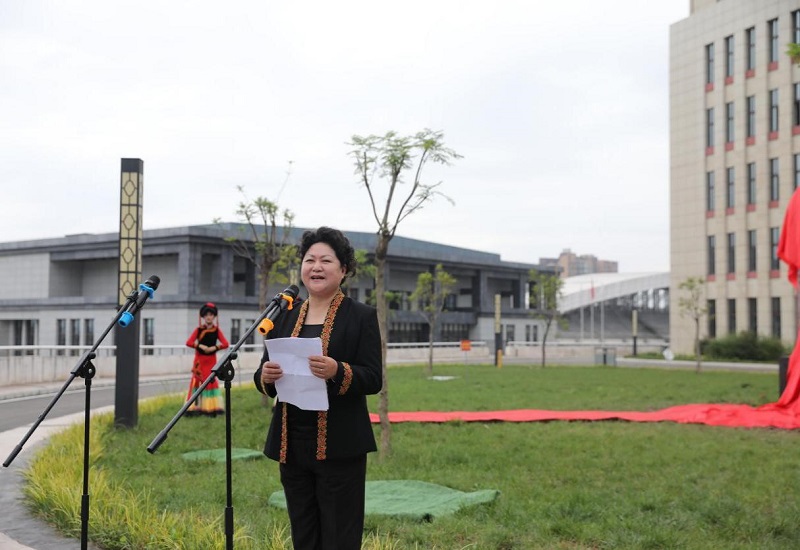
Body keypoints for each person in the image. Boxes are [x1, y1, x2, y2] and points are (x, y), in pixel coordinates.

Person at [254, 227, 383, 550]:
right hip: (292, 444)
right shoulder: (284, 315)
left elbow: (373, 378)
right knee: (304, 531)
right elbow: (264, 372)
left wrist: (337, 369)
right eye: (310, 259)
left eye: (326, 260)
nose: (316, 266)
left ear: (343, 270)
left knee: (339, 535)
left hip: (339, 446)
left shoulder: (361, 317)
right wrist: (265, 377)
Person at [185, 302, 229, 416]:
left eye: (211, 315)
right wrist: (200, 346)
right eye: (206, 315)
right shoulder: (198, 330)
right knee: (197, 382)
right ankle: (195, 407)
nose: (209, 317)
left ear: (214, 316)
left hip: (211, 361)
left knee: (210, 382)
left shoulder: (216, 330)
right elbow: (189, 342)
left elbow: (225, 344)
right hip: (199, 361)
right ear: (203, 317)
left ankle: (211, 408)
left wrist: (214, 347)